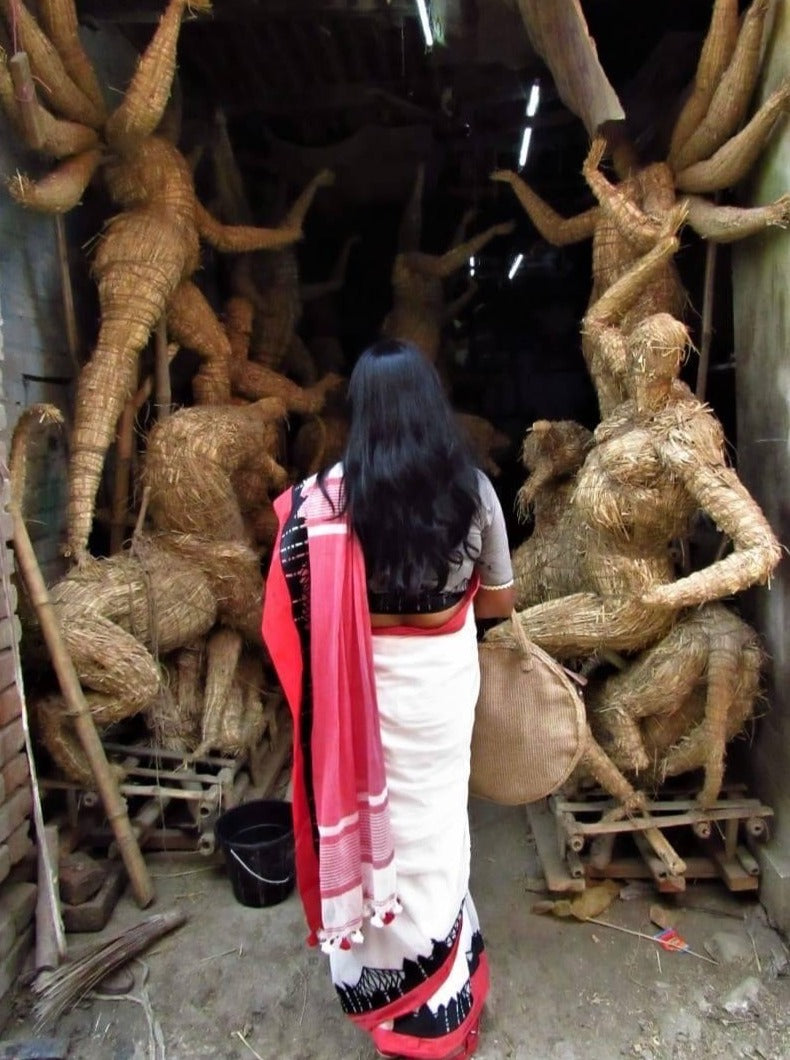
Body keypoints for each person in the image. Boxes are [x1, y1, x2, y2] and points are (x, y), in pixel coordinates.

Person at [262, 339, 515, 1060]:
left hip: (358, 694)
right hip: (438, 686)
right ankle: (438, 1001)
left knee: (376, 831)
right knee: (434, 831)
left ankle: (384, 996)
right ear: (432, 403)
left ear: (361, 412)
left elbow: (293, 604)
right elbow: (498, 603)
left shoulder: (323, 501)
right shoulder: (471, 489)